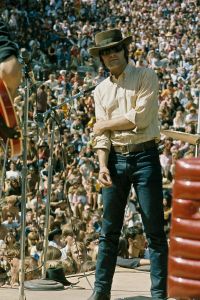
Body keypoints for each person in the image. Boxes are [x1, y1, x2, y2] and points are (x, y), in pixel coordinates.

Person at [88, 29, 168, 300]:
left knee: (154, 229)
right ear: (101, 58)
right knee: (109, 230)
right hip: (114, 159)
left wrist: (104, 124)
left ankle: (159, 294)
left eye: (115, 50)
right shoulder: (100, 90)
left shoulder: (146, 75)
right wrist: (102, 165)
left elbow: (141, 118)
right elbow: (102, 138)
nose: (110, 55)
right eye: (105, 52)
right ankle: (101, 291)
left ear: (125, 51)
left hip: (145, 157)